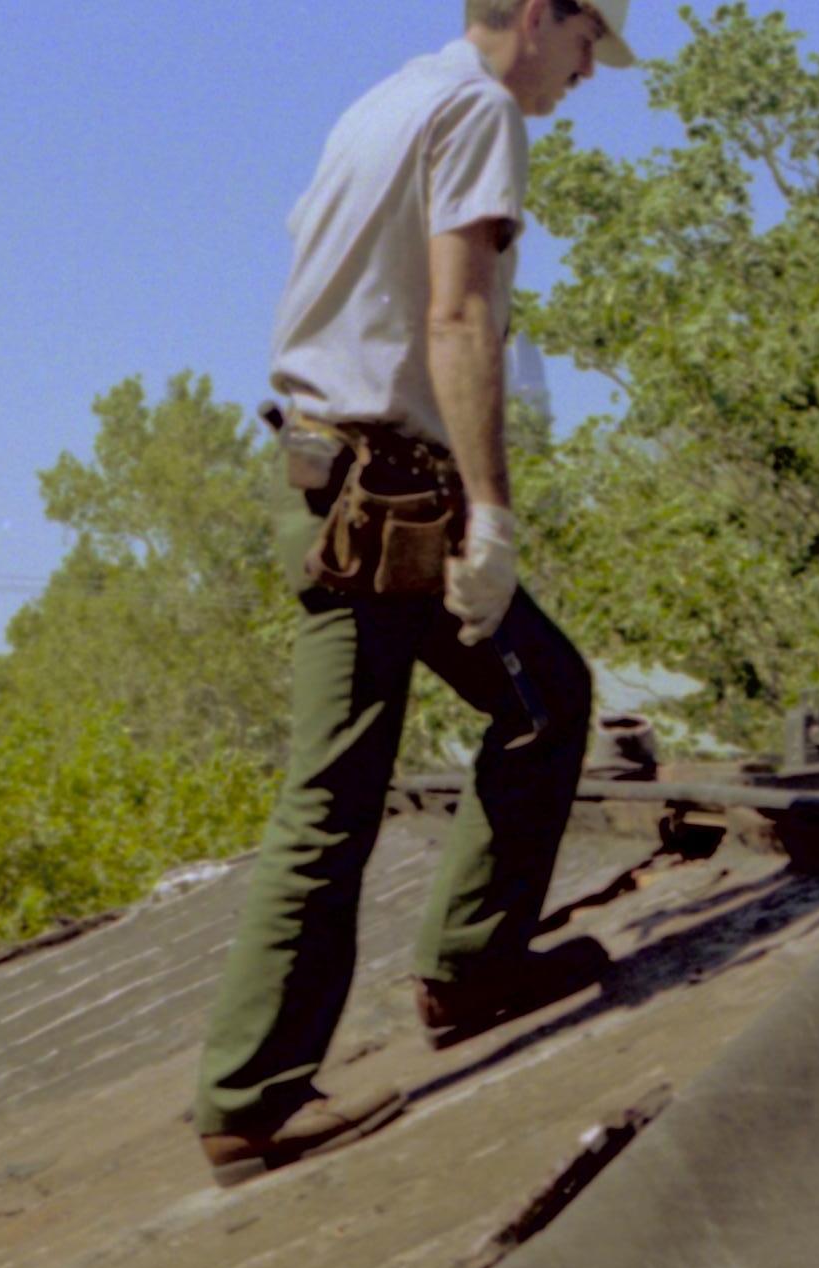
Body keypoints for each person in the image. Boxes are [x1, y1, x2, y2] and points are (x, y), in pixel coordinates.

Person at [192, 0, 635, 1189]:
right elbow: (459, 313)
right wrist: (487, 510)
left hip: (345, 462)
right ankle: (250, 1101)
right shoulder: (483, 108)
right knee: (335, 792)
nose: (589, 74)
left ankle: (475, 967)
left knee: (542, 693)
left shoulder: (390, 97)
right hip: (392, 488)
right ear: (542, 16)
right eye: (592, 43)